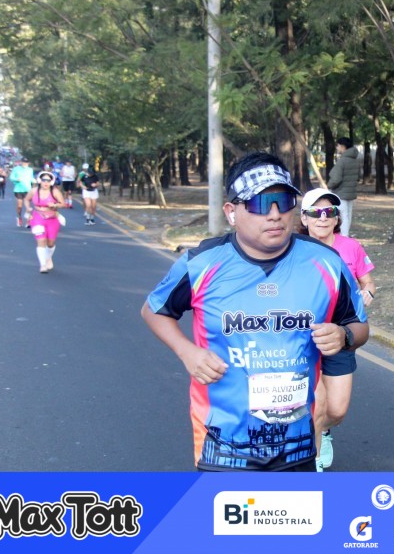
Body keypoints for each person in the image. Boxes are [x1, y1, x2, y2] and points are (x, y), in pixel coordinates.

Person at [141, 151, 369, 472]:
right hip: (222, 445)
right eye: (260, 204)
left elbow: (359, 326)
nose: (274, 215)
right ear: (231, 212)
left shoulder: (327, 262)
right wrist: (187, 352)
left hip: (298, 445)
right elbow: (154, 310)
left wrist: (344, 336)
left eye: (284, 202)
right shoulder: (201, 264)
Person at [298, 188, 376, 471]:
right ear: (304, 218)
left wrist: (367, 293)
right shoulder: (292, 249)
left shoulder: (350, 247)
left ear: (336, 218)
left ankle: (324, 430)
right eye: (316, 212)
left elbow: (368, 282)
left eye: (329, 212)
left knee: (336, 410)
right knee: (316, 405)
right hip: (304, 334)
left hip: (341, 331)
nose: (323, 217)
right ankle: (312, 460)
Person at [24, 171, 65, 273]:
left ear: (51, 182)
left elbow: (62, 204)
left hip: (52, 218)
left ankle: (48, 257)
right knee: (41, 240)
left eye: (48, 180)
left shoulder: (55, 191)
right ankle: (42, 265)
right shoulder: (34, 191)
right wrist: (28, 208)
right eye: (44, 180)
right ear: (39, 181)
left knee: (50, 243)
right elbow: (26, 199)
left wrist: (55, 205)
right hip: (38, 217)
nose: (46, 183)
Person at [326, 137, 361, 237]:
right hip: (351, 193)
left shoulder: (342, 161)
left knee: (342, 216)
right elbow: (358, 177)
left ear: (343, 146)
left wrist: (329, 186)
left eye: (338, 146)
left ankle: (344, 237)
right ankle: (346, 236)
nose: (337, 148)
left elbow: (336, 179)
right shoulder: (355, 161)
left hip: (341, 193)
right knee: (348, 216)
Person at [9, 158, 35, 227]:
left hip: (28, 189)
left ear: (28, 163)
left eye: (26, 163)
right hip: (18, 189)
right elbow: (11, 177)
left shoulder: (30, 170)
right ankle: (19, 217)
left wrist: (35, 181)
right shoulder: (16, 169)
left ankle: (28, 221)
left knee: (28, 206)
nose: (25, 164)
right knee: (19, 206)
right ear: (21, 162)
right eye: (23, 162)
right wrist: (16, 179)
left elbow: (31, 178)